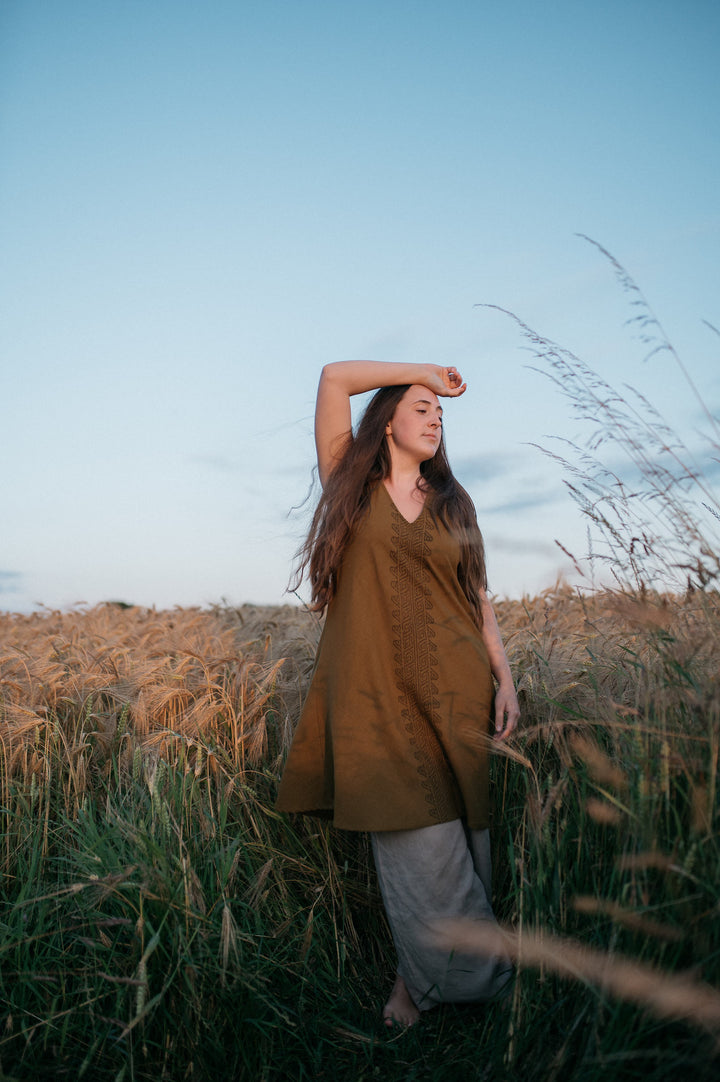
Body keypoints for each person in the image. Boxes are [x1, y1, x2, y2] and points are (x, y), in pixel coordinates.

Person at [276, 360, 520, 1026]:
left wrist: (504, 677)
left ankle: (417, 984)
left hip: (456, 690)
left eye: (440, 413)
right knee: (422, 845)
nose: (436, 417)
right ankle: (469, 981)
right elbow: (330, 379)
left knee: (468, 846)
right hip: (379, 701)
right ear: (386, 421)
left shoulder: (454, 503)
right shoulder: (350, 489)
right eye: (420, 408)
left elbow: (478, 597)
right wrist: (423, 373)